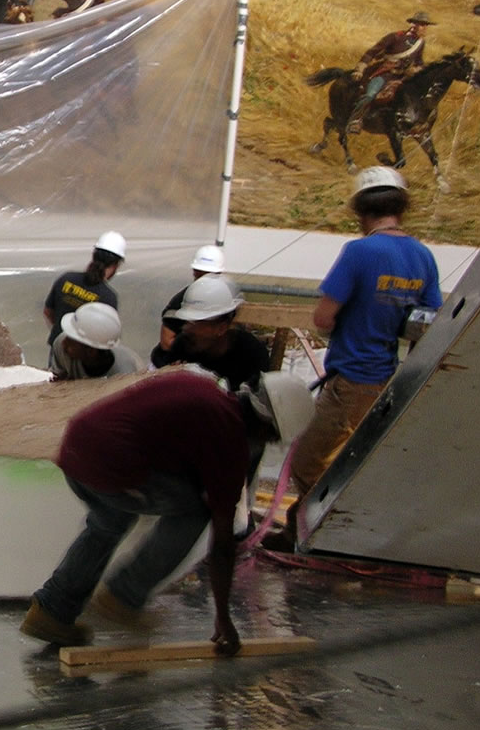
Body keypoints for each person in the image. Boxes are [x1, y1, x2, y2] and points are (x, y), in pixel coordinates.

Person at [19, 369, 316, 654]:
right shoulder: (229, 438)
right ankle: (125, 595)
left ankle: (52, 611)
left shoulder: (200, 387)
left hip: (76, 444)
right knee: (199, 510)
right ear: (266, 427)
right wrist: (223, 617)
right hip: (113, 463)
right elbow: (223, 542)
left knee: (109, 520)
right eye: (271, 438)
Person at [264, 166, 442, 551]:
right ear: (401, 206)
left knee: (308, 463)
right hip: (389, 382)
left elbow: (323, 318)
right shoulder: (422, 256)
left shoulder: (360, 251)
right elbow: (429, 321)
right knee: (351, 461)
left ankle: (329, 534)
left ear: (361, 210)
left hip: (351, 382)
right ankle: (303, 531)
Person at [151, 274, 268, 394]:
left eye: (196, 323)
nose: (186, 328)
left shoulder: (251, 355)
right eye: (187, 321)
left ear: (221, 327)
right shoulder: (183, 345)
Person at [43, 231, 125, 368]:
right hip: (86, 358)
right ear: (116, 265)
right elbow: (106, 335)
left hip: (59, 349)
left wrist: (62, 332)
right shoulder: (108, 297)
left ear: (94, 255)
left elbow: (48, 312)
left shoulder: (66, 279)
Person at [345, 12, 433, 135]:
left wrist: (417, 69)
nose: (424, 28)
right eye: (422, 25)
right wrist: (360, 69)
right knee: (370, 94)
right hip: (385, 74)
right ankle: (355, 120)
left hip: (403, 77)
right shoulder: (396, 37)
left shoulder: (420, 43)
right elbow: (371, 52)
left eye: (425, 25)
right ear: (413, 24)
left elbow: (419, 61)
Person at [153, 245, 225, 360]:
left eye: (211, 274)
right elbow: (166, 343)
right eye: (201, 273)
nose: (206, 279)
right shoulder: (180, 302)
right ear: (194, 272)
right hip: (170, 364)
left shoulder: (225, 302)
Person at [49, 302, 143, 381]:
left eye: (71, 341)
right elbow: (59, 381)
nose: (64, 343)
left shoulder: (124, 375)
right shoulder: (61, 345)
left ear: (91, 352)